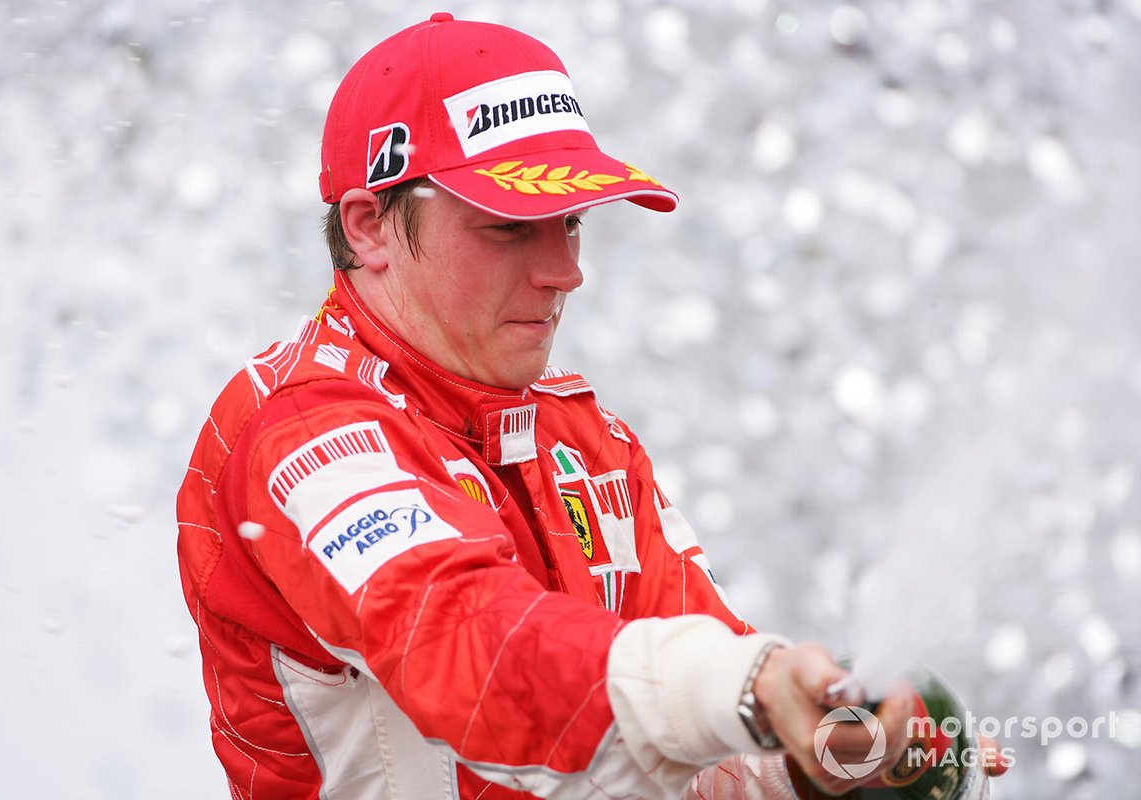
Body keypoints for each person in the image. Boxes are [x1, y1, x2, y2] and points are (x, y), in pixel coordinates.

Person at [177, 13, 1002, 799]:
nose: (564, 270)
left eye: (569, 220)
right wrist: (751, 689)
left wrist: (837, 751)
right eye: (510, 225)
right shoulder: (301, 434)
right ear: (369, 228)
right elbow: (474, 655)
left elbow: (695, 736)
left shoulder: (582, 437)